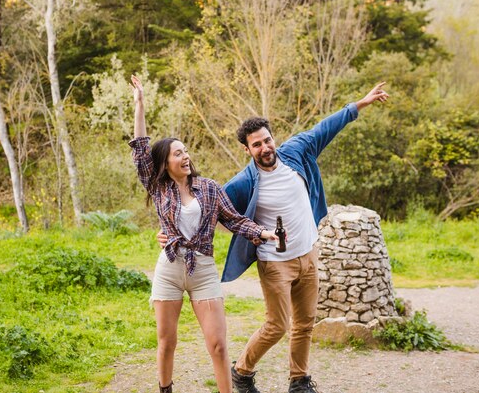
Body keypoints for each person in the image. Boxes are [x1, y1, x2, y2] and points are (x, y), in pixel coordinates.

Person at [159, 82, 389, 393]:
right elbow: (207, 210)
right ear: (247, 149)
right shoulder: (243, 183)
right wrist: (173, 231)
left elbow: (326, 127)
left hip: (308, 253)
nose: (265, 148)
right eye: (257, 145)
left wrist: (360, 104)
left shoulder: (296, 151)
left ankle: (299, 380)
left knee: (305, 323)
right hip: (274, 262)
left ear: (273, 139)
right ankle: (242, 371)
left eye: (268, 141)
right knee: (278, 325)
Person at [128, 75, 278, 393]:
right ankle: (165, 388)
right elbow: (141, 150)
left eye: (186, 151)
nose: (185, 156)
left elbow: (236, 220)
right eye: (178, 153)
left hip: (203, 270)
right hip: (169, 269)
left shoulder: (209, 188)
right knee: (167, 342)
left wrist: (264, 233)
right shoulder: (158, 188)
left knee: (219, 345)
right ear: (165, 162)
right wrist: (140, 104)